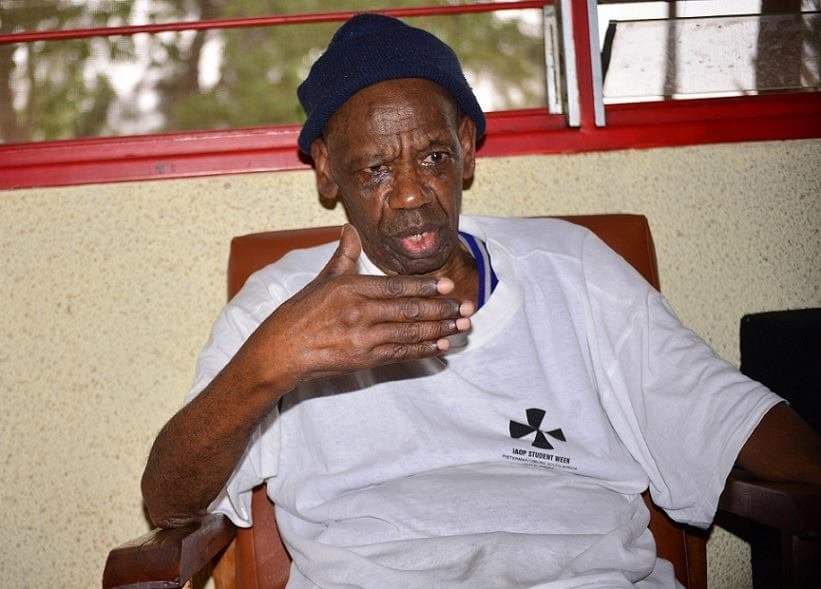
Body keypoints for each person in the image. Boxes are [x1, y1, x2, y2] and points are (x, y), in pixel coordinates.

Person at [141, 14, 821, 588]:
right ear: (326, 169)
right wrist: (270, 363)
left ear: (466, 148)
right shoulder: (280, 304)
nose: (411, 193)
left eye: (433, 157)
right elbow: (168, 501)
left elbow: (728, 417)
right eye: (375, 168)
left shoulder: (571, 269)